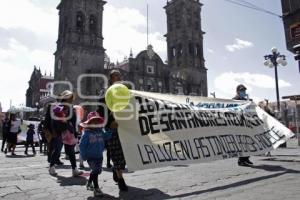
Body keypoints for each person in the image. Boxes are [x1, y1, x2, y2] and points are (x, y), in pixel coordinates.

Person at [97, 69, 128, 191]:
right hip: (112, 128)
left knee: (125, 153)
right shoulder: (105, 92)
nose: (119, 77)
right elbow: (100, 110)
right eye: (116, 75)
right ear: (111, 78)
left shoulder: (125, 91)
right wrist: (109, 123)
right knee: (116, 152)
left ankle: (117, 169)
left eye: (120, 75)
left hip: (125, 127)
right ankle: (121, 179)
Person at [48, 90, 83, 177]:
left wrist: (75, 131)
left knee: (71, 151)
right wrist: (54, 132)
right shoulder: (58, 107)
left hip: (69, 132)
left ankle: (74, 169)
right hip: (59, 131)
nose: (71, 100)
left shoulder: (71, 108)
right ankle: (51, 167)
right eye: (69, 98)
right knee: (57, 150)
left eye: (71, 98)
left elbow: (73, 121)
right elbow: (53, 121)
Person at [79, 111, 112, 197]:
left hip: (99, 156)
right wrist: (83, 155)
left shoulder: (101, 131)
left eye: (97, 121)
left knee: (96, 171)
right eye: (94, 121)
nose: (96, 123)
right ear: (89, 123)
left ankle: (89, 182)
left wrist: (110, 130)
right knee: (95, 171)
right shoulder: (87, 133)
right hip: (91, 156)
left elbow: (107, 136)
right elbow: (82, 145)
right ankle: (96, 188)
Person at [233, 84, 254, 166]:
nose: (243, 92)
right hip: (239, 124)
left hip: (246, 124)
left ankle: (246, 158)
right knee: (242, 143)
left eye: (244, 90)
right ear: (237, 91)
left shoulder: (246, 100)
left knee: (248, 142)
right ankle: (241, 160)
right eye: (242, 90)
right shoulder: (234, 100)